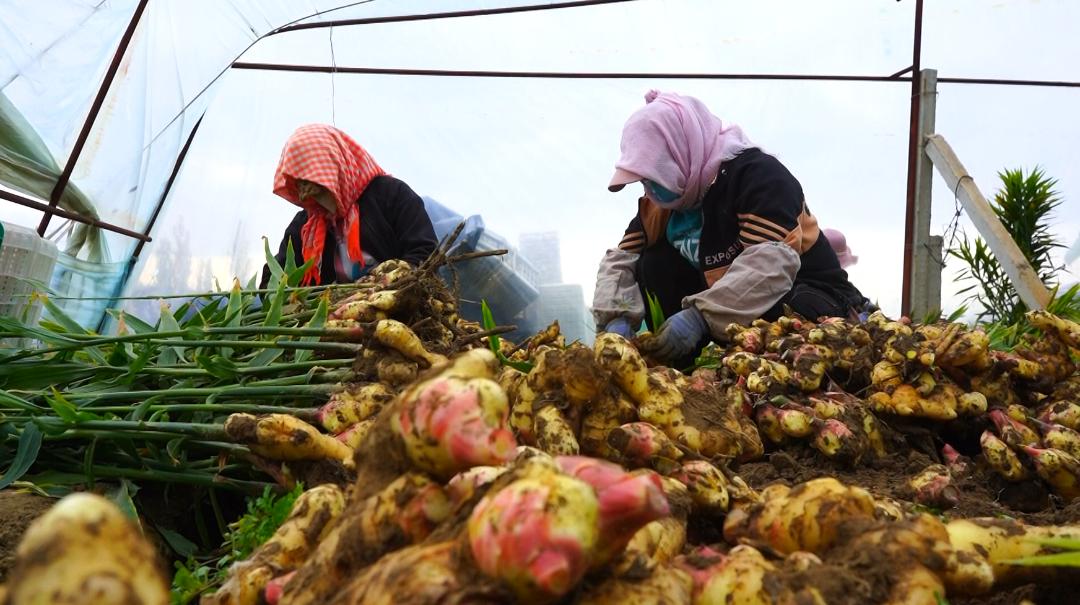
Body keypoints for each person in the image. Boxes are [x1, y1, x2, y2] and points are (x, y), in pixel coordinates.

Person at [592, 90, 870, 366]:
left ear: (679, 153)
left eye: (653, 176)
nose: (649, 190)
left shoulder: (759, 179)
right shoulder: (662, 205)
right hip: (733, 312)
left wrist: (700, 317)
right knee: (653, 262)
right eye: (644, 181)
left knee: (784, 304)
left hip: (810, 296)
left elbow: (769, 267)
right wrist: (617, 315)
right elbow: (620, 260)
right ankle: (676, 362)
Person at [259, 124, 437, 289]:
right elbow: (274, 278)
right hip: (333, 320)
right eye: (309, 193)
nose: (318, 202)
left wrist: (385, 289)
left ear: (338, 170)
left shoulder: (391, 196)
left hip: (395, 312)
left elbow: (425, 253)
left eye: (322, 190)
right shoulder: (306, 225)